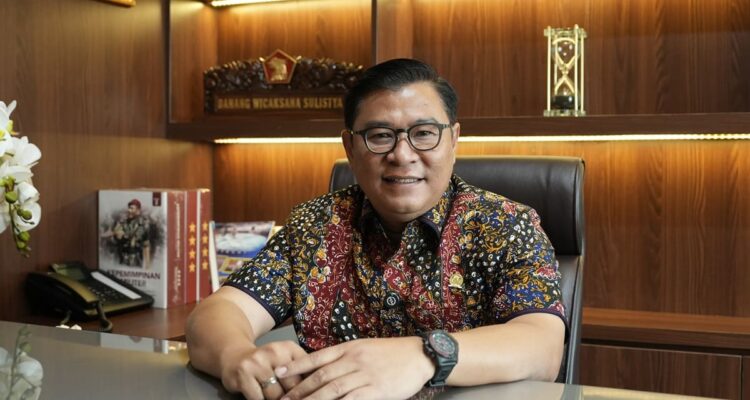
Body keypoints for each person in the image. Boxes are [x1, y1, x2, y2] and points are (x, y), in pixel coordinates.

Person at [186, 58, 566, 400]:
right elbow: (221, 311)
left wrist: (424, 355)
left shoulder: (506, 224)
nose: (402, 155)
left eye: (424, 133)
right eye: (381, 135)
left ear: (453, 140)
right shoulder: (314, 225)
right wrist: (237, 355)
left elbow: (542, 346)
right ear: (350, 147)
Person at [111, 199, 151, 269]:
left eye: (132, 208)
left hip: (136, 259)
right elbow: (116, 236)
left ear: (138, 211)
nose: (129, 210)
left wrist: (147, 266)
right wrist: (117, 234)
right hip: (123, 258)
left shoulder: (144, 225)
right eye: (129, 208)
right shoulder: (122, 223)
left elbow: (146, 245)